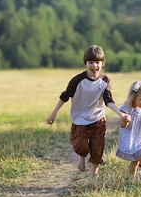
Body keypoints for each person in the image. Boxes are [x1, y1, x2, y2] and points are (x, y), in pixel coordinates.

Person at [46, 45, 130, 180]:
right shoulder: (78, 80)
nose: (94, 66)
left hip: (98, 119)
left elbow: (109, 100)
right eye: (91, 62)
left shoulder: (105, 81)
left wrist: (121, 114)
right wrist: (53, 114)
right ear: (86, 63)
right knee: (81, 146)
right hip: (80, 120)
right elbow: (64, 96)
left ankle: (93, 179)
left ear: (102, 63)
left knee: (97, 150)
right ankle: (82, 157)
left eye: (97, 62)